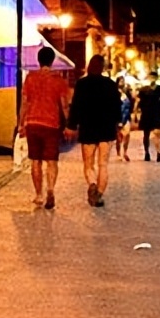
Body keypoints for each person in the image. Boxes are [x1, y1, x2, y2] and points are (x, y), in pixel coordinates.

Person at [17, 46, 71, 210]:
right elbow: (64, 106)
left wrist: (21, 123)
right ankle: (50, 189)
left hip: (32, 122)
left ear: (38, 60)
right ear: (52, 60)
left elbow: (24, 103)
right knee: (52, 161)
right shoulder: (59, 80)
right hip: (51, 124)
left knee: (35, 160)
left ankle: (39, 195)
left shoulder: (30, 78)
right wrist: (69, 124)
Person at [66, 55, 122, 207]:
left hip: (88, 127)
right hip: (106, 128)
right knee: (103, 164)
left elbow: (76, 106)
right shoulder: (110, 85)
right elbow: (117, 107)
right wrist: (118, 125)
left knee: (88, 164)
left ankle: (92, 184)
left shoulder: (82, 84)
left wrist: (72, 125)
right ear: (103, 67)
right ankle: (99, 194)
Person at [136, 79, 160, 162]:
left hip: (146, 114)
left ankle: (148, 153)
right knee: (156, 134)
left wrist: (137, 114)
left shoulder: (143, 90)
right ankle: (157, 153)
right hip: (155, 114)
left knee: (146, 135)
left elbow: (138, 103)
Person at [116, 77, 133, 162]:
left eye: (123, 81)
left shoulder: (127, 92)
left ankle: (125, 152)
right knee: (119, 137)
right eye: (120, 81)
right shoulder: (114, 92)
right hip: (118, 116)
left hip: (127, 117)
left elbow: (132, 103)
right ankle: (119, 153)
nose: (122, 83)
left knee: (127, 135)